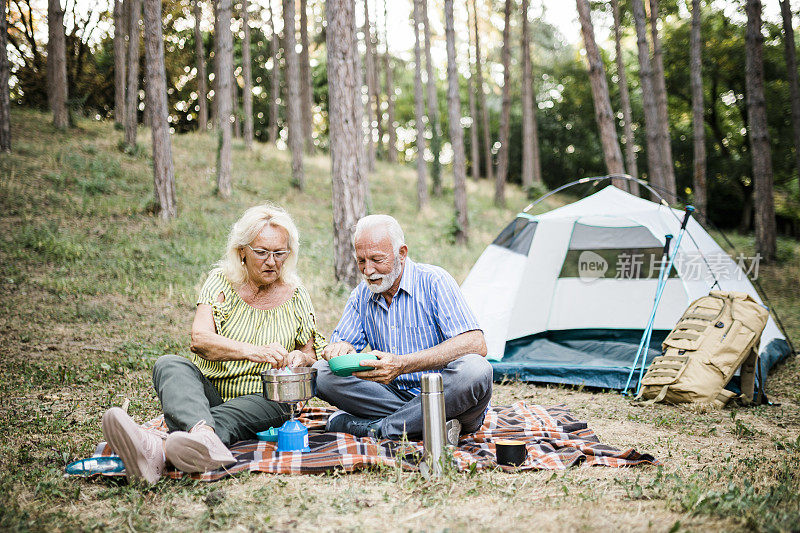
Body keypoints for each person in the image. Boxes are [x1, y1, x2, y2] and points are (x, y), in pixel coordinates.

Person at [101, 204, 324, 484]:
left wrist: (299, 359)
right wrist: (256, 351)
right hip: (211, 392)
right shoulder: (221, 281)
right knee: (169, 364)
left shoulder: (296, 294)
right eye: (262, 252)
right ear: (242, 250)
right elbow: (200, 340)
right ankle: (202, 437)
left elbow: (311, 353)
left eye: (280, 253)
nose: (271, 261)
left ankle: (155, 446)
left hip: (266, 397)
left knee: (232, 415)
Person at [313, 215, 492, 442]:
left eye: (377, 259)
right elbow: (341, 346)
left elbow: (475, 343)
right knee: (322, 372)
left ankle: (379, 429)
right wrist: (339, 348)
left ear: (402, 253)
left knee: (476, 369)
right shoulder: (361, 295)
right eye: (361, 261)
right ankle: (427, 424)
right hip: (390, 397)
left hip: (446, 395)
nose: (368, 270)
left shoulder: (434, 281)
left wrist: (403, 364)